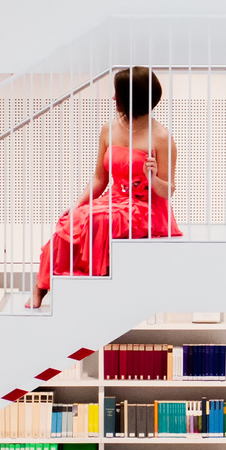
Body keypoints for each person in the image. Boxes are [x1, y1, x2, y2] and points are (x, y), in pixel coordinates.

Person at [31, 67, 180, 308]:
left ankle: (91, 289)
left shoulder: (162, 137)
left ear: (134, 98)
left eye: (117, 94)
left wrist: (152, 178)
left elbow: (167, 190)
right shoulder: (108, 129)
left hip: (146, 207)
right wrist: (77, 204)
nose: (113, 99)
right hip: (115, 199)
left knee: (98, 220)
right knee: (73, 219)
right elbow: (100, 179)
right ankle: (42, 286)